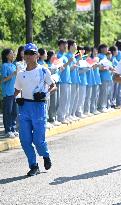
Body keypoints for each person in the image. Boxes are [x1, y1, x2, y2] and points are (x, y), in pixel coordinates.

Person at [14, 43, 56, 176]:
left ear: (37, 55)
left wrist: (45, 94)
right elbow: (17, 91)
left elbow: (53, 86)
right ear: (24, 55)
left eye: (32, 53)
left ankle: (45, 155)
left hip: (39, 107)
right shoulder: (21, 73)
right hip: (24, 107)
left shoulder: (43, 71)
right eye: (27, 53)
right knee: (25, 140)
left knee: (38, 140)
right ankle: (33, 165)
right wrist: (18, 97)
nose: (29, 56)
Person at [1, 48, 18, 138]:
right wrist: (12, 75)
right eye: (11, 53)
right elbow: (3, 80)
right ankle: (8, 130)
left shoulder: (14, 65)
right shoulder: (4, 66)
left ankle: (13, 128)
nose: (13, 55)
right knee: (8, 111)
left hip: (14, 92)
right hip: (7, 92)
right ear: (7, 55)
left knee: (14, 111)